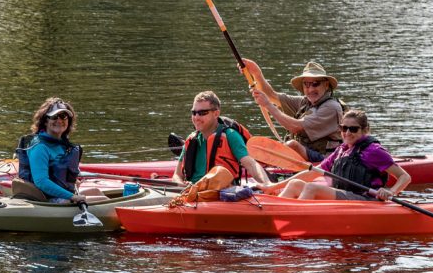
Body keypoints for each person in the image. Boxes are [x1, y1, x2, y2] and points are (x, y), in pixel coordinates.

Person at [258, 109, 410, 201]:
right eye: (344, 128)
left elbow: (405, 177)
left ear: (364, 130)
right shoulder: (341, 150)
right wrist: (274, 186)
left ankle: (292, 221)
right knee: (295, 184)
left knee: (312, 188)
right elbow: (312, 173)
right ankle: (273, 212)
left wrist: (391, 191)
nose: (347, 133)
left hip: (365, 199)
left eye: (353, 129)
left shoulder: (374, 151)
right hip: (344, 195)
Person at [244, 59, 345, 163]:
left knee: (292, 145)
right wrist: (256, 73)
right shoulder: (304, 102)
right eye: (306, 84)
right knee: (262, 146)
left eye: (315, 84)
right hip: (305, 155)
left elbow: (295, 127)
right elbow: (272, 95)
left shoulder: (331, 107)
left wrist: (268, 105)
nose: (310, 89)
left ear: (326, 85)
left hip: (326, 160)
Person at [171, 91, 270, 186]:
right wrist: (179, 183)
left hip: (222, 193)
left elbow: (251, 165)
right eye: (194, 112)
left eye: (202, 113)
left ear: (216, 114)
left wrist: (266, 184)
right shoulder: (191, 139)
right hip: (192, 193)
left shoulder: (230, 135)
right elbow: (177, 175)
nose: (196, 117)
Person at [12, 97, 88, 204]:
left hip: (59, 195)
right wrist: (72, 196)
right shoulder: (39, 147)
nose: (59, 120)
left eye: (63, 116)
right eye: (54, 116)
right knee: (100, 200)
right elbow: (41, 182)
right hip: (45, 199)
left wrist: (72, 182)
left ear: (68, 121)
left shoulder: (62, 144)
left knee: (95, 191)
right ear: (45, 121)